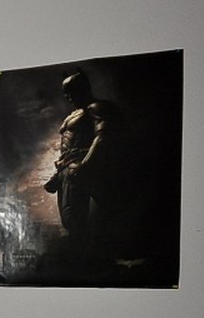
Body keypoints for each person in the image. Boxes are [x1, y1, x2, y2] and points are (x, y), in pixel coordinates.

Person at [42, 69, 139, 271]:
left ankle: (94, 261)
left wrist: (85, 165)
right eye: (66, 92)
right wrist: (59, 174)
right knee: (70, 219)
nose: (68, 96)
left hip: (85, 170)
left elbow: (103, 137)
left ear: (84, 88)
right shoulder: (75, 114)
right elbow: (69, 148)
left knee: (86, 219)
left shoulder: (98, 107)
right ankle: (83, 260)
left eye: (72, 90)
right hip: (68, 170)